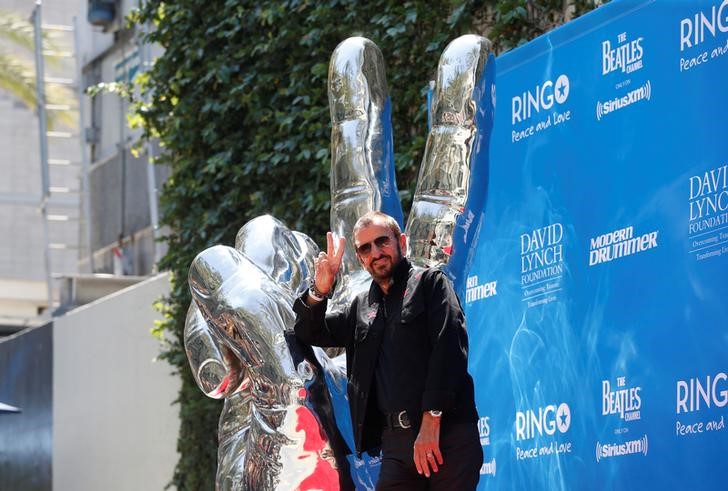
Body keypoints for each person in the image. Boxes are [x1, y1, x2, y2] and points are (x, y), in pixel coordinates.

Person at [293, 211, 482, 490]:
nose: (376, 252)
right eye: (365, 248)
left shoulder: (431, 284)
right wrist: (319, 291)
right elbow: (310, 332)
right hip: (395, 447)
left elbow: (450, 348)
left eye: (382, 242)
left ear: (401, 242)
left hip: (445, 433)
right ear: (360, 258)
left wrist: (432, 420)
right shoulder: (360, 307)